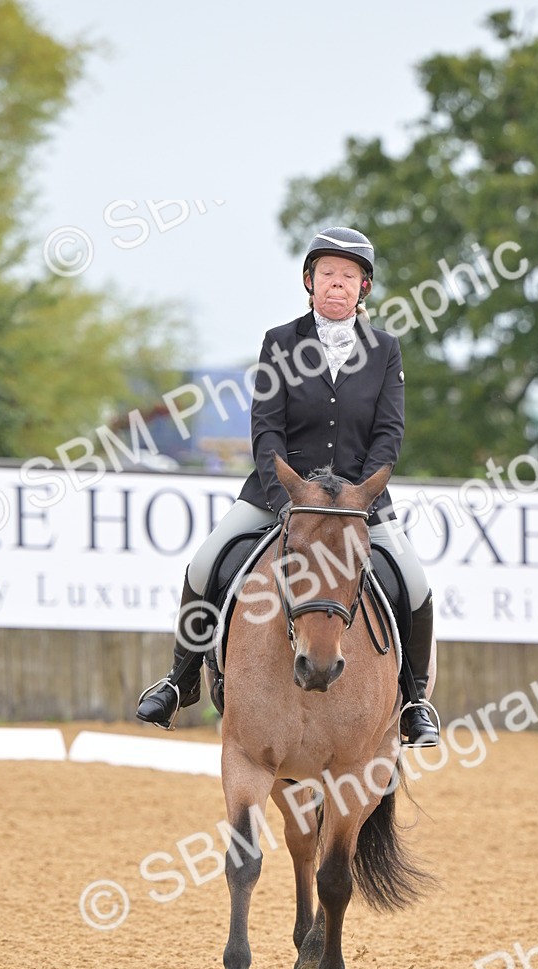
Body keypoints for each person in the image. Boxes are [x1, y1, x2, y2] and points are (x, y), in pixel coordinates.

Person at [136, 226, 439, 745]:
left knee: (413, 584)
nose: (336, 285)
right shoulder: (281, 342)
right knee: (207, 562)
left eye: (348, 276)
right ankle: (180, 679)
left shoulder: (385, 349)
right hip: (280, 494)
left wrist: (360, 498)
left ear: (363, 287)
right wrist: (285, 501)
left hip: (357, 503)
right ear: (309, 280)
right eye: (327, 275)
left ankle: (413, 702)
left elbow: (389, 433)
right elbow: (266, 428)